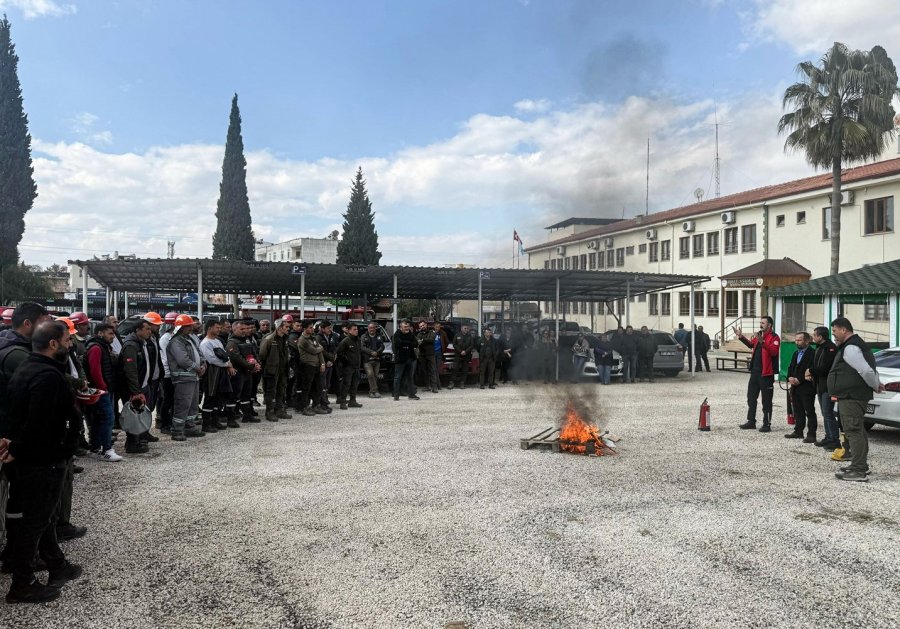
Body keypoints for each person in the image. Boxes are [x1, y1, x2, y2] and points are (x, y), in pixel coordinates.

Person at [0, 321, 83, 603]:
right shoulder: (48, 376)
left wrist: (14, 445)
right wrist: (21, 448)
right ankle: (22, 584)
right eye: (67, 341)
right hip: (43, 459)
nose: (70, 345)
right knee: (34, 522)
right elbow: (39, 421)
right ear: (53, 344)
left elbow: (16, 415)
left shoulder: (27, 368)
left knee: (41, 516)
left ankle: (57, 564)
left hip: (32, 457)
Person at [827, 317, 885, 482]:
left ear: (844, 329)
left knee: (853, 431)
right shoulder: (855, 345)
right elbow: (867, 369)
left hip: (852, 396)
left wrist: (875, 385)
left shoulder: (851, 347)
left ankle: (858, 470)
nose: (834, 335)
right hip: (852, 395)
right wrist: (876, 384)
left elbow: (865, 371)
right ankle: (859, 465)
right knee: (858, 430)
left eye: (835, 331)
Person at [83, 324, 122, 461]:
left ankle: (95, 447)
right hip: (101, 391)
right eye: (110, 334)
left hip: (104, 389)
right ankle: (106, 448)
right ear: (100, 333)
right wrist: (103, 388)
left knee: (100, 419)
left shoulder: (102, 347)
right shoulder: (96, 348)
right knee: (108, 418)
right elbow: (95, 371)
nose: (113, 337)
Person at [735, 316, 781, 432]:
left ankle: (767, 423)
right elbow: (751, 345)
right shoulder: (758, 335)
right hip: (755, 372)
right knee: (751, 398)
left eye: (763, 323)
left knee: (766, 400)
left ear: (769, 325)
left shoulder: (774, 337)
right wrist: (741, 337)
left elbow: (774, 352)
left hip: (766, 374)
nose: (761, 324)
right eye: (760, 322)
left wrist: (763, 342)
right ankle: (751, 421)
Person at [165, 314, 206, 441]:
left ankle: (190, 426)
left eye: (190, 326)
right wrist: (197, 368)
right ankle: (177, 430)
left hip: (192, 377)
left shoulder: (189, 339)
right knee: (183, 404)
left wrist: (203, 364)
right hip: (183, 378)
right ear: (181, 327)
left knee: (193, 404)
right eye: (187, 326)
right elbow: (182, 360)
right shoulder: (176, 341)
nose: (190, 328)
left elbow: (199, 353)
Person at [119, 320, 155, 454]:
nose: (149, 331)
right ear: (137, 330)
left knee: (139, 414)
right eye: (146, 329)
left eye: (150, 329)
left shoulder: (142, 343)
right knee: (133, 415)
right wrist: (135, 391)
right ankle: (132, 443)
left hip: (143, 385)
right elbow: (131, 370)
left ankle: (139, 438)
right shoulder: (131, 346)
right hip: (133, 388)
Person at [199, 319, 237, 432]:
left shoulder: (218, 341)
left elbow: (225, 354)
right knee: (210, 398)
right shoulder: (205, 343)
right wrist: (227, 364)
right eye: (217, 327)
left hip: (221, 372)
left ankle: (215, 422)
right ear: (209, 328)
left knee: (217, 398)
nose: (219, 329)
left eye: (220, 328)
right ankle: (206, 424)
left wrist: (228, 364)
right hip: (212, 373)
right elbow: (211, 360)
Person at [807, 326, 839, 450]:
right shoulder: (819, 348)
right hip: (820, 386)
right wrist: (811, 372)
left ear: (820, 337)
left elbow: (826, 368)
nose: (813, 337)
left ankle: (834, 439)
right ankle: (828, 436)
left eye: (814, 335)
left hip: (827, 386)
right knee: (825, 413)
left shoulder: (830, 348)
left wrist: (811, 371)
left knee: (828, 413)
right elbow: (815, 364)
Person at [226, 320, 261, 423]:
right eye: (241, 329)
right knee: (233, 396)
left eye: (245, 329)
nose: (244, 331)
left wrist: (258, 363)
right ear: (234, 329)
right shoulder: (232, 342)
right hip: (238, 373)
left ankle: (247, 415)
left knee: (247, 394)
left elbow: (254, 353)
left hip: (248, 372)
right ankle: (231, 419)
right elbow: (237, 358)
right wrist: (251, 366)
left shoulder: (247, 340)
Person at [785, 332, 817, 442]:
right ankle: (798, 431)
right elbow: (791, 367)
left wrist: (800, 379)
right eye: (796, 340)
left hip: (807, 387)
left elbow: (811, 369)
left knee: (809, 411)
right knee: (798, 410)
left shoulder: (812, 353)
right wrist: (789, 377)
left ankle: (811, 434)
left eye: (799, 340)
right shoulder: (796, 353)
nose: (797, 342)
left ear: (807, 341)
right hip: (795, 387)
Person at [259, 318, 291, 421]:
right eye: (286, 327)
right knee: (271, 392)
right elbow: (262, 355)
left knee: (281, 391)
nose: (288, 329)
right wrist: (268, 367)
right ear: (279, 327)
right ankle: (270, 412)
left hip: (282, 369)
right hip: (271, 370)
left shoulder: (285, 338)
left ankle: (279, 410)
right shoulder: (269, 339)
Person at [297, 321, 327, 415]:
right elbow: (314, 350)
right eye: (310, 327)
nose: (312, 329)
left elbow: (319, 352)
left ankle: (316, 405)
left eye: (312, 327)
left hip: (317, 366)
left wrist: (322, 363)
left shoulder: (313, 338)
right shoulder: (302, 339)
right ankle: (304, 407)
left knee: (318, 387)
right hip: (307, 366)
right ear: (305, 329)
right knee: (306, 388)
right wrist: (320, 348)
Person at [335, 323, 362, 410]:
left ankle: (352, 401)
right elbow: (339, 353)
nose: (356, 331)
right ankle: (342, 402)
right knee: (346, 384)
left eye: (357, 329)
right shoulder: (345, 341)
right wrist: (347, 361)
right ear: (349, 330)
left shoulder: (358, 340)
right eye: (354, 329)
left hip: (356, 366)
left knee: (355, 384)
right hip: (348, 367)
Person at [392, 320, 420, 401]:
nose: (407, 328)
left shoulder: (410, 334)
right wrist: (409, 343)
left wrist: (406, 344)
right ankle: (396, 395)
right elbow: (398, 344)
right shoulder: (396, 335)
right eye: (405, 327)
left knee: (410, 377)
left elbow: (415, 343)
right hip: (400, 359)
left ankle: (411, 394)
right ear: (400, 327)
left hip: (409, 358)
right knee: (397, 378)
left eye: (408, 326)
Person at [315, 321, 338, 412]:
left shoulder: (332, 336)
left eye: (330, 327)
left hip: (330, 364)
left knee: (327, 384)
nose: (330, 330)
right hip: (322, 364)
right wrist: (328, 359)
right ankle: (321, 402)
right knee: (322, 384)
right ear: (322, 328)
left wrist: (332, 360)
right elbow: (321, 351)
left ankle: (325, 401)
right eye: (328, 328)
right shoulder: (318, 338)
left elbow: (335, 348)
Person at [361, 322, 384, 398]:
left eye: (373, 328)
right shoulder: (364, 336)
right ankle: (375, 391)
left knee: (375, 376)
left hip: (377, 359)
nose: (372, 329)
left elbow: (382, 346)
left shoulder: (379, 336)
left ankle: (372, 392)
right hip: (367, 360)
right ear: (368, 328)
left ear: (375, 328)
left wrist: (377, 352)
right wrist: (371, 352)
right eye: (370, 328)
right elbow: (362, 347)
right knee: (370, 375)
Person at [450, 324, 475, 389]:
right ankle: (452, 383)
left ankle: (462, 383)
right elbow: (454, 344)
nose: (466, 330)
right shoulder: (457, 335)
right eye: (465, 328)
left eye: (467, 328)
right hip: (458, 355)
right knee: (455, 369)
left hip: (466, 355)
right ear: (461, 329)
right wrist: (460, 351)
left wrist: (465, 351)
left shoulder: (470, 336)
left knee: (465, 370)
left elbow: (472, 345)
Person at [416, 321, 439, 393]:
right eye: (420, 326)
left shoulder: (431, 332)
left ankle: (434, 387)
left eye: (423, 325)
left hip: (431, 354)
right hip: (422, 355)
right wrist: (423, 341)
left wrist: (422, 340)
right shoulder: (419, 334)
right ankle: (427, 386)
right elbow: (418, 342)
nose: (422, 327)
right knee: (424, 371)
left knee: (432, 370)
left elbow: (431, 339)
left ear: (426, 325)